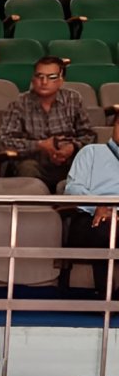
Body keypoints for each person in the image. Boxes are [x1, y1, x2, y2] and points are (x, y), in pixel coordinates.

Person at [0, 56, 94, 192]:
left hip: (68, 160)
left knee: (87, 167)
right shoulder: (19, 103)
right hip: (33, 161)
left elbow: (89, 135)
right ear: (33, 79)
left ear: (61, 80)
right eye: (39, 76)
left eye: (51, 77)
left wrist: (72, 147)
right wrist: (39, 145)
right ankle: (33, 210)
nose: (44, 82)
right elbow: (2, 141)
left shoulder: (73, 99)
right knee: (27, 168)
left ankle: (75, 211)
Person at [63, 119, 119, 298]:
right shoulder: (92, 152)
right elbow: (72, 188)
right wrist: (96, 206)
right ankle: (105, 293)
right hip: (90, 217)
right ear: (114, 127)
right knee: (105, 227)